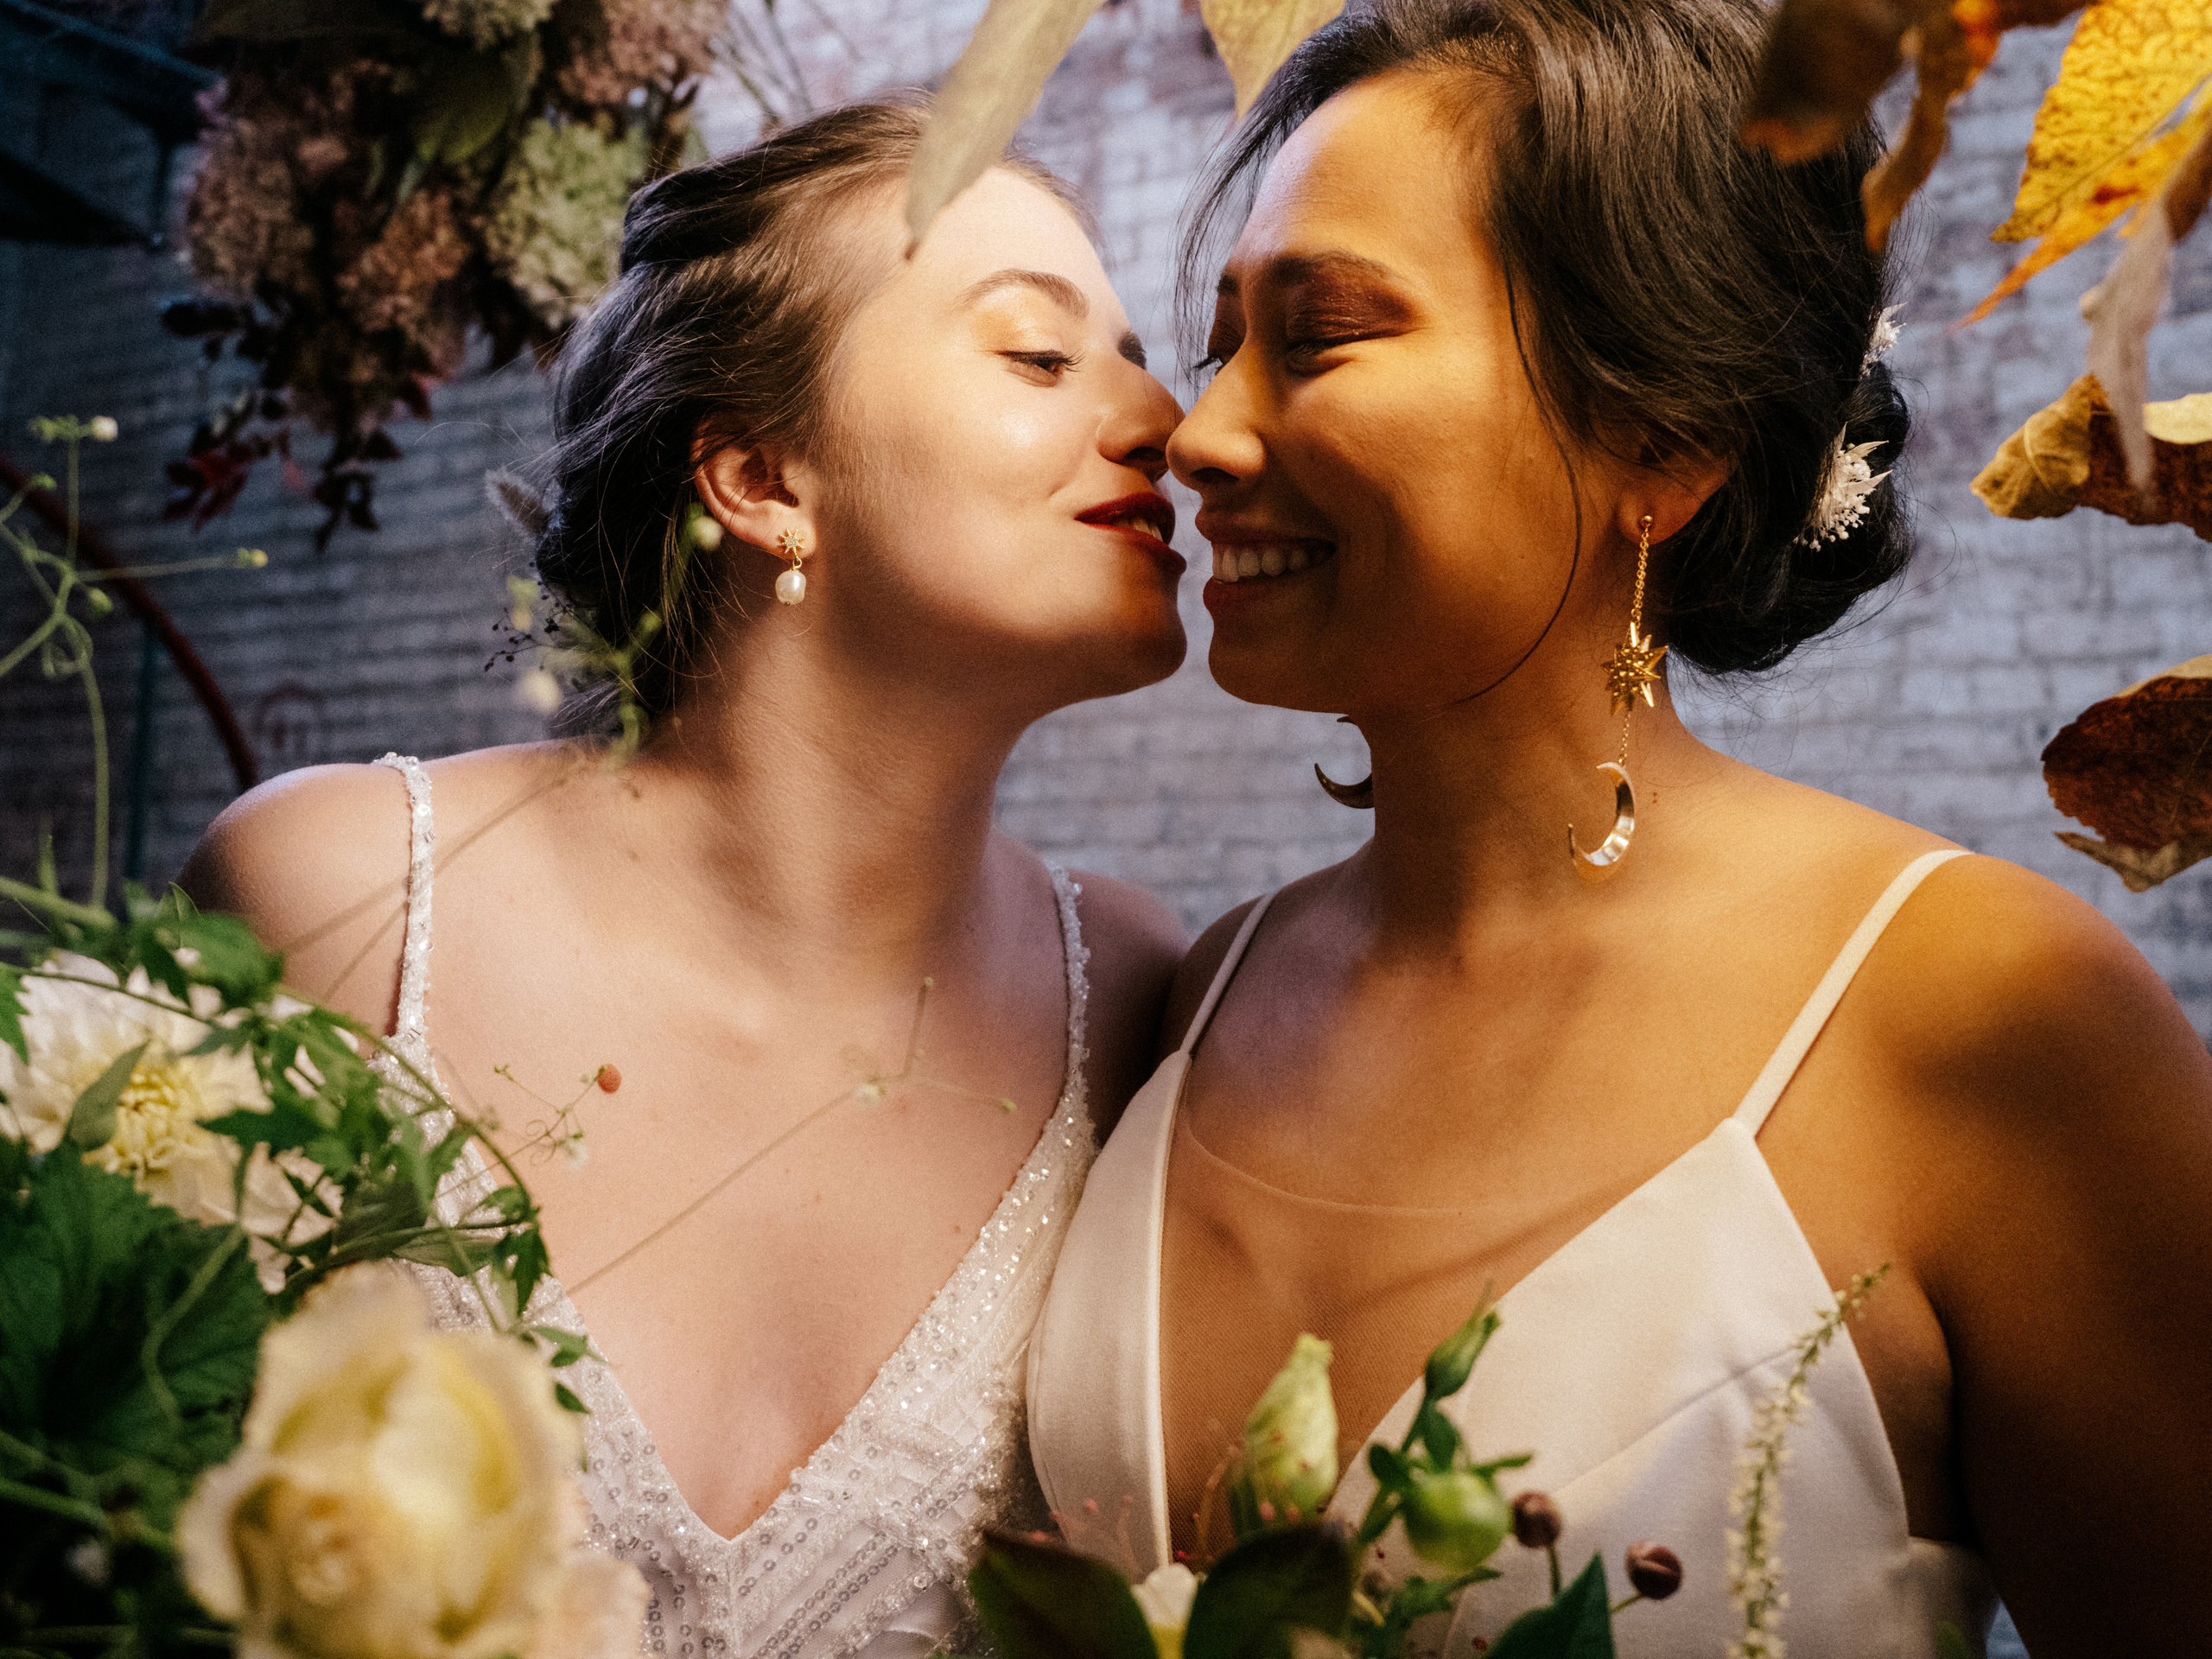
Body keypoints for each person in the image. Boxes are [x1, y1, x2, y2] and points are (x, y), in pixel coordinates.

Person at [1025, 2, 2212, 1653]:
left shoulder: (1994, 1022)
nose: (1204, 434)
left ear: (1666, 435)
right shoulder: (1205, 995)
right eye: (1224, 341)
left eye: (1326, 335)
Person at [184, 102, 1191, 1659]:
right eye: (1042, 359)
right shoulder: (338, 900)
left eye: (1133, 355)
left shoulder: (1132, 996)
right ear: (763, 474)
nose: (1172, 419)